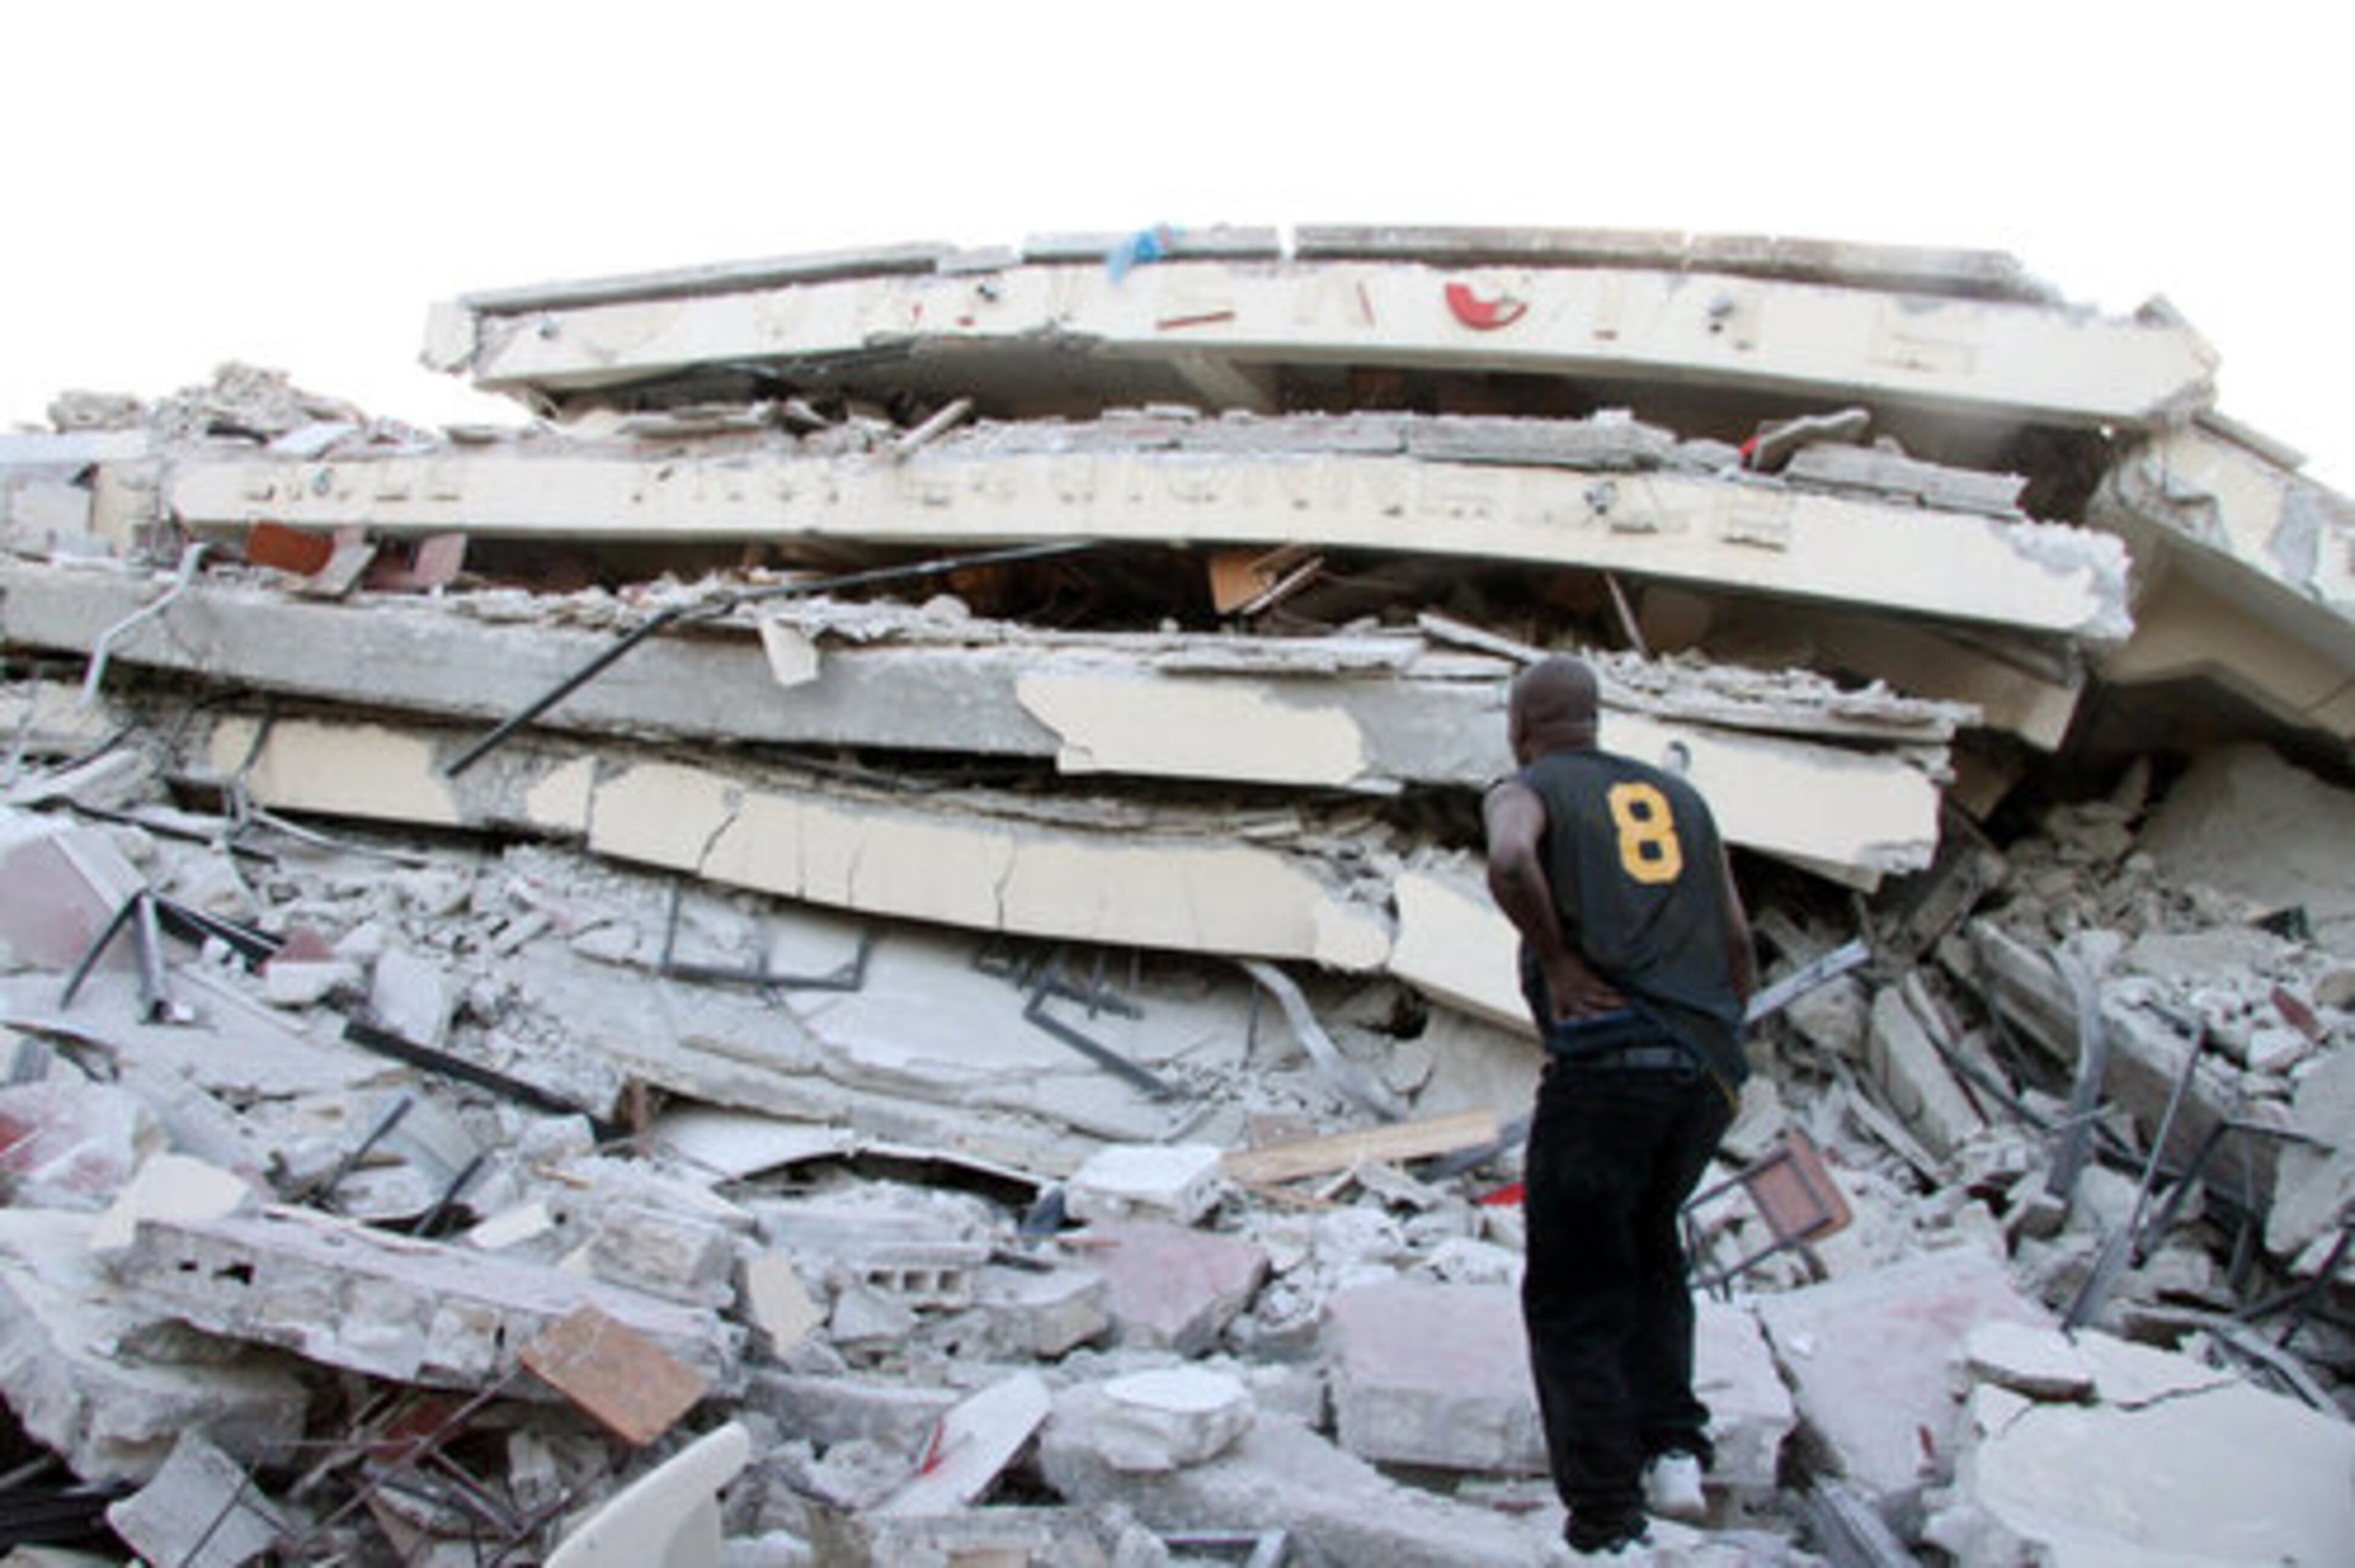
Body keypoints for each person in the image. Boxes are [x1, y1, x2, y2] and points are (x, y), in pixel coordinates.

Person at [1481, 654, 1758, 1558]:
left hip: (1606, 1071)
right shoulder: (1681, 800)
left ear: (1523, 723)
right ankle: (1672, 1449)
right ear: (1596, 718)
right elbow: (1737, 940)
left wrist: (1561, 963)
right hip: (1702, 1071)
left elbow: (1511, 855)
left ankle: (1606, 1523)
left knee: (1571, 1292)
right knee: (1648, 1250)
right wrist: (1716, 1042)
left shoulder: (1525, 786)